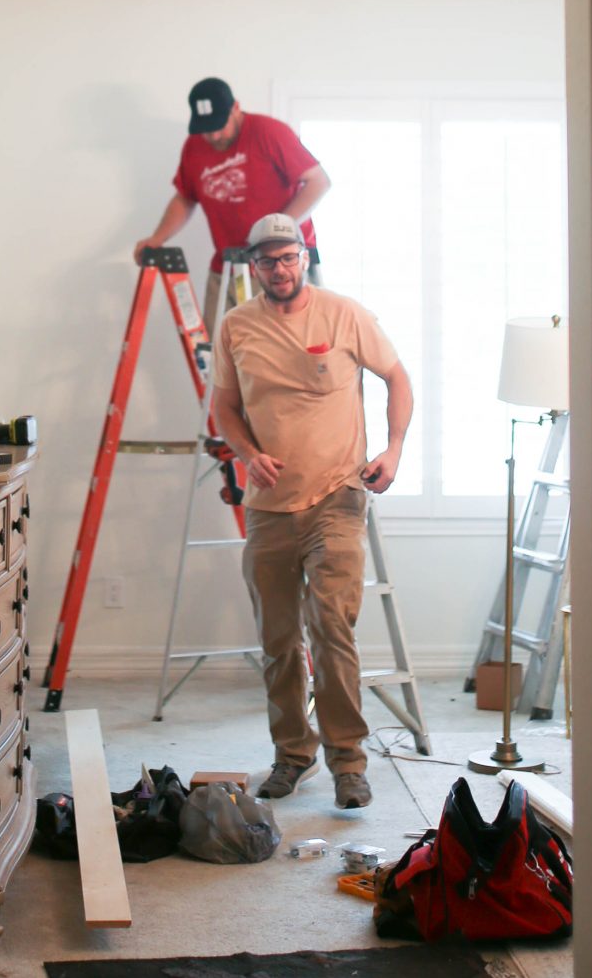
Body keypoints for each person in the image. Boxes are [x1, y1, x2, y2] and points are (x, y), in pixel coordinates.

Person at [211, 211, 413, 811]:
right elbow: (224, 405)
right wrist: (247, 453)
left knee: (331, 629)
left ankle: (348, 762)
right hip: (269, 507)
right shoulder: (236, 327)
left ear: (305, 256)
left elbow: (396, 376)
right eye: (269, 260)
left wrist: (394, 449)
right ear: (255, 268)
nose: (280, 268)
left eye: (289, 256)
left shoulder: (344, 313)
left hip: (337, 496)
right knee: (277, 640)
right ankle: (291, 755)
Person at [133, 77, 330, 334]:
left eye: (219, 126)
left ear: (235, 108)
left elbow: (318, 182)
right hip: (228, 265)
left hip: (279, 264)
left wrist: (271, 235)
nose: (213, 135)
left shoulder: (269, 132)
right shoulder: (195, 146)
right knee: (220, 352)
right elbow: (185, 197)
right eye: (206, 128)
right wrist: (157, 238)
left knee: (285, 353)